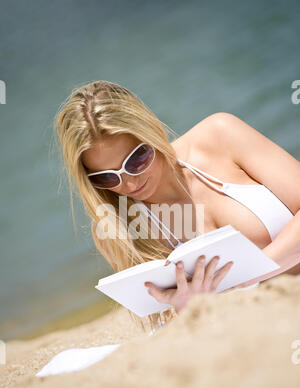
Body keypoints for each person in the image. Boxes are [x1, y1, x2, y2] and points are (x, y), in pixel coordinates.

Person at [53, 80, 299, 333]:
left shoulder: (220, 135)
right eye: (106, 177)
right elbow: (169, 326)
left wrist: (248, 276)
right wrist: (186, 309)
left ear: (151, 130)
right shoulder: (117, 229)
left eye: (136, 159)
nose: (128, 182)